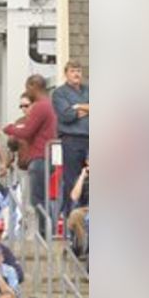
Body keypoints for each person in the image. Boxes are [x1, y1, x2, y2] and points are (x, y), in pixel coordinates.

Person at [3, 75, 58, 238]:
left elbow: (27, 132)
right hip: (46, 156)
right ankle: (47, 231)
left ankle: (43, 234)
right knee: (43, 198)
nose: (27, 92)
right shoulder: (50, 105)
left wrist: (10, 129)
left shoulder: (40, 107)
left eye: (28, 88)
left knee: (37, 200)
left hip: (39, 157)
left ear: (33, 86)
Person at [52, 60, 89, 218]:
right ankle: (71, 221)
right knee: (72, 180)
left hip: (91, 139)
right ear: (66, 73)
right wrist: (86, 108)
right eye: (73, 71)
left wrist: (77, 106)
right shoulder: (59, 93)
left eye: (79, 71)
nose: (76, 74)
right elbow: (66, 115)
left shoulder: (88, 90)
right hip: (72, 140)